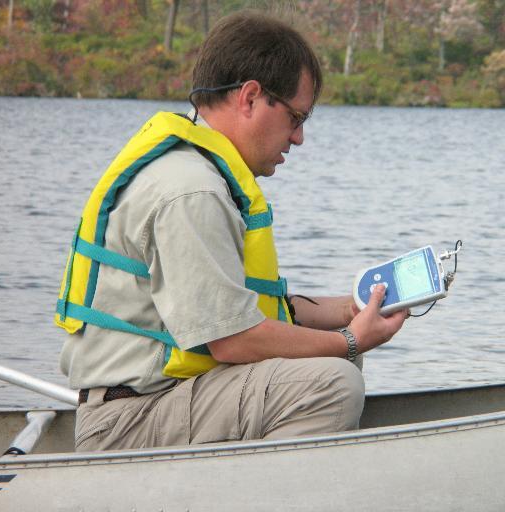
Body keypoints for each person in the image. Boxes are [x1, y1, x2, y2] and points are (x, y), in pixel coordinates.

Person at [56, 11, 407, 452]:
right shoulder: (191, 190)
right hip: (130, 422)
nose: (298, 138)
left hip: (155, 404)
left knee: (332, 364)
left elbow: (238, 309)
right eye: (296, 117)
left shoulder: (195, 172)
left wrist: (349, 309)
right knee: (332, 381)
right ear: (250, 97)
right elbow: (232, 339)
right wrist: (351, 340)